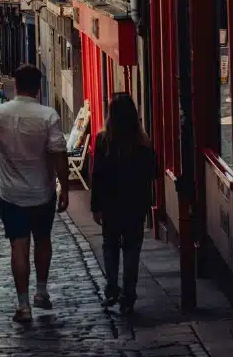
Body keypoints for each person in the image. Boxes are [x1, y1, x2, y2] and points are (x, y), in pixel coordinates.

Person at [0, 63, 69, 323]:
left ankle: (23, 305)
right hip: (42, 192)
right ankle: (41, 291)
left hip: (11, 193)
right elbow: (58, 155)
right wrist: (65, 187)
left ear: (15, 84)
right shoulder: (48, 116)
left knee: (18, 246)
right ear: (38, 87)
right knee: (43, 240)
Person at [90, 93, 156, 316]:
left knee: (110, 246)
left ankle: (111, 288)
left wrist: (95, 206)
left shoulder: (102, 140)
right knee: (131, 249)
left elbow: (96, 175)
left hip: (110, 204)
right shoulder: (142, 143)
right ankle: (129, 294)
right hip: (135, 204)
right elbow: (153, 172)